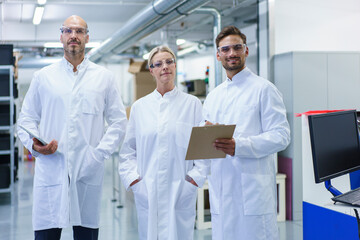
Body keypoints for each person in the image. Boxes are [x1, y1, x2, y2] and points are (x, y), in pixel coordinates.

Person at [17, 15, 127, 240]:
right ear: (61, 37)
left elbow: (118, 121)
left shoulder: (103, 78)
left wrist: (98, 154)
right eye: (68, 31)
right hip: (52, 167)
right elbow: (25, 120)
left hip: (87, 168)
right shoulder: (43, 77)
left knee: (86, 232)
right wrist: (36, 146)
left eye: (79, 31)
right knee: (46, 233)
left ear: (87, 37)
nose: (73, 36)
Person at [203, 26, 290, 239]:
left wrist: (239, 146)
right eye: (225, 49)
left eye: (236, 47)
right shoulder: (213, 96)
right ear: (218, 55)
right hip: (222, 191)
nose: (231, 53)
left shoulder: (264, 89)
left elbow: (281, 136)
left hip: (253, 191)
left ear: (246, 51)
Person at [119, 45, 209, 240]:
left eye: (169, 62)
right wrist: (136, 183)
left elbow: (202, 151)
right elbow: (127, 152)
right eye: (158, 64)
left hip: (181, 189)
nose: (164, 67)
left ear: (175, 66)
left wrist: (193, 180)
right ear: (151, 70)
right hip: (147, 190)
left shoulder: (192, 104)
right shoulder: (140, 107)